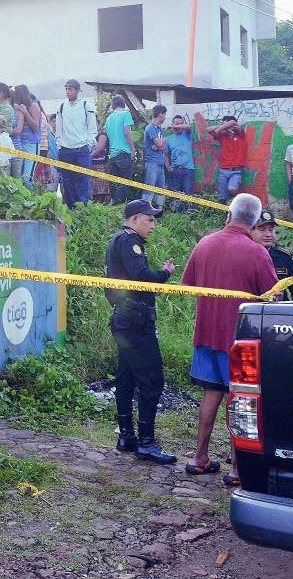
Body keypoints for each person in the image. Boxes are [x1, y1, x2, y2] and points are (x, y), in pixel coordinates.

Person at [180, 193, 279, 485]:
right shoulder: (257, 253)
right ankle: (237, 468)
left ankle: (199, 457)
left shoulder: (204, 243)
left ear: (228, 214)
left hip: (205, 334)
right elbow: (274, 297)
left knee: (211, 393)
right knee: (242, 400)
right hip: (239, 341)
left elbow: (188, 284)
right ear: (256, 222)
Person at [105, 199, 178, 464]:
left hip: (125, 320)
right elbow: (142, 276)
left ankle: (127, 437)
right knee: (152, 380)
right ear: (135, 219)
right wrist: (165, 274)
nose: (153, 225)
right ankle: (146, 443)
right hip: (135, 323)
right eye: (150, 219)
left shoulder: (119, 239)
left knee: (126, 379)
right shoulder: (129, 240)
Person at [55, 79, 98, 207]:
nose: (67, 92)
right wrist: (59, 144)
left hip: (82, 148)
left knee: (84, 178)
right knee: (68, 180)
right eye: (66, 89)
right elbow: (59, 129)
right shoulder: (62, 107)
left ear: (77, 91)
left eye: (70, 89)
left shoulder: (86, 106)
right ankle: (72, 207)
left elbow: (92, 128)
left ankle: (83, 206)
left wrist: (88, 145)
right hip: (65, 149)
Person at [250, 208, 293, 301]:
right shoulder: (244, 257)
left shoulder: (284, 257)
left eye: (271, 230)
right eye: (262, 230)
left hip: (279, 308)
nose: (268, 234)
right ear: (250, 231)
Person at [206, 116, 247, 201]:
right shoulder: (222, 136)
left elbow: (233, 122)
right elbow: (208, 129)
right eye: (224, 125)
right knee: (222, 197)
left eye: (226, 124)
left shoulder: (240, 134)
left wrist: (220, 129)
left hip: (236, 170)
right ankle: (225, 207)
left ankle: (233, 201)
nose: (224, 127)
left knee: (232, 189)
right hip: (223, 170)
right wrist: (222, 128)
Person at [105, 96, 136, 205]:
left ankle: (113, 207)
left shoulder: (108, 119)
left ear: (113, 106)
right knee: (126, 182)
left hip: (113, 155)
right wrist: (133, 149)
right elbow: (127, 133)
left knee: (117, 184)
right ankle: (115, 205)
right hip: (124, 153)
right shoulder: (125, 114)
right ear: (123, 105)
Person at [165, 114, 195, 214]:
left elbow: (188, 127)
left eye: (181, 123)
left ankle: (189, 217)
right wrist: (168, 166)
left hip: (188, 170)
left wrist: (174, 126)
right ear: (172, 124)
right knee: (175, 196)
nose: (179, 126)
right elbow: (166, 154)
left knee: (188, 195)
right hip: (175, 170)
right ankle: (176, 217)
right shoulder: (169, 139)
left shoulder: (187, 135)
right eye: (176, 124)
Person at [13, 85, 43, 185]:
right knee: (19, 177)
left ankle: (32, 194)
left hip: (32, 144)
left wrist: (25, 112)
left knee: (27, 178)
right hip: (20, 144)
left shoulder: (33, 106)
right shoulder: (17, 108)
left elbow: (35, 126)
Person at [143, 104, 169, 207]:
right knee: (149, 189)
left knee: (161, 189)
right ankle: (145, 210)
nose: (165, 117)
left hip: (160, 162)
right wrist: (163, 141)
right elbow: (160, 143)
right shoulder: (150, 128)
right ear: (160, 114)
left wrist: (160, 146)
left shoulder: (159, 129)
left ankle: (159, 212)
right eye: (165, 115)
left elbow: (163, 147)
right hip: (152, 163)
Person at [89, 129, 112, 203]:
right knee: (94, 192)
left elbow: (100, 148)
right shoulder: (88, 136)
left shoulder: (102, 135)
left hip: (101, 166)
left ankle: (107, 206)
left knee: (105, 191)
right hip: (92, 166)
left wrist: (87, 158)